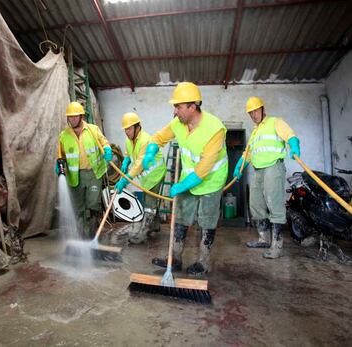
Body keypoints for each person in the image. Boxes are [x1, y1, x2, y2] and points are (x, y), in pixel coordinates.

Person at [142, 82, 228, 275]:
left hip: (211, 181)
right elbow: (158, 137)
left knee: (207, 221)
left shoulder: (215, 129)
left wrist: (181, 185)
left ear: (192, 106)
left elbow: (203, 169)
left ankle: (204, 262)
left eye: (178, 106)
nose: (175, 111)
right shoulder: (178, 124)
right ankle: (175, 259)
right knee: (180, 217)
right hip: (189, 177)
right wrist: (150, 151)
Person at [233, 96, 300, 259]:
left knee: (274, 203)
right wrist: (240, 164)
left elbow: (290, 134)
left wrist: (294, 144)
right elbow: (249, 152)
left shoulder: (275, 122)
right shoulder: (255, 132)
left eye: (255, 111)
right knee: (255, 204)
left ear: (262, 109)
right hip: (258, 171)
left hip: (273, 167)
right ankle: (264, 239)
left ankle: (276, 246)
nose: (253, 115)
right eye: (250, 113)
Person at [56, 101, 113, 238]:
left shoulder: (93, 130)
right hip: (75, 176)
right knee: (78, 207)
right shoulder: (64, 136)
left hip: (94, 173)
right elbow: (61, 155)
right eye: (70, 117)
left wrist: (107, 149)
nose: (73, 119)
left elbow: (104, 141)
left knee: (93, 204)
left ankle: (92, 234)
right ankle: (80, 236)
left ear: (81, 116)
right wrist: (59, 165)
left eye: (76, 116)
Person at [114, 112, 167, 244]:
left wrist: (124, 180)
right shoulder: (128, 140)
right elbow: (128, 154)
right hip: (146, 177)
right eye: (125, 129)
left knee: (149, 204)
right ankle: (154, 225)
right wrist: (126, 161)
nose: (127, 132)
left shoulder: (146, 140)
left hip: (155, 174)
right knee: (151, 202)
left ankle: (143, 233)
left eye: (129, 128)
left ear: (138, 127)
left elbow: (138, 165)